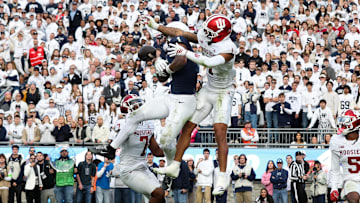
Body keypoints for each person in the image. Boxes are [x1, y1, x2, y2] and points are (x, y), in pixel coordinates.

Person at [148, 14, 238, 195]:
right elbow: (180, 32)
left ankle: (222, 177)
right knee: (187, 127)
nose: (206, 34)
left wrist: (185, 53)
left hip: (223, 93)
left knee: (220, 133)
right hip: (208, 88)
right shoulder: (210, 37)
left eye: (211, 32)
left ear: (220, 34)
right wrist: (157, 26)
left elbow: (208, 61)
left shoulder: (228, 48)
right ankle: (174, 166)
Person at [92, 23, 199, 171]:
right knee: (135, 115)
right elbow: (164, 78)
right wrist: (159, 64)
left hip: (184, 100)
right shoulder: (175, 49)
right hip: (173, 96)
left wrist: (166, 68)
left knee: (166, 140)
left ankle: (171, 168)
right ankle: (111, 148)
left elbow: (181, 61)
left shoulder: (179, 41)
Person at [108, 94, 166, 203]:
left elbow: (157, 151)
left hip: (142, 167)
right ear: (126, 108)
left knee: (161, 199)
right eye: (134, 105)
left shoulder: (148, 123)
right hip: (129, 169)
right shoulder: (123, 124)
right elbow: (113, 144)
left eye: (139, 103)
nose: (139, 106)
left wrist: (174, 153)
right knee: (158, 193)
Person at [330, 109, 360, 203]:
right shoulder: (336, 141)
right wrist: (334, 188)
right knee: (353, 199)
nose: (342, 124)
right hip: (351, 180)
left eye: (345, 121)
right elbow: (335, 169)